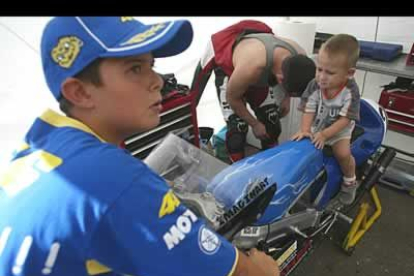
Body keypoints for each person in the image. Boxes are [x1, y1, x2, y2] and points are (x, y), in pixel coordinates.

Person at [0, 17, 279, 276]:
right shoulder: (110, 176)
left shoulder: (40, 144)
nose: (157, 81)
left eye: (151, 65)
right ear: (79, 92)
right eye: (134, 68)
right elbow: (238, 271)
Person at [191, 20, 316, 162]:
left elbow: (301, 84)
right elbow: (233, 99)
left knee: (272, 125)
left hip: (261, 65)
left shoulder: (300, 54)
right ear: (280, 79)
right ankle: (237, 170)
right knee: (237, 131)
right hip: (228, 67)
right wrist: (255, 124)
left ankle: (268, 164)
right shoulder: (252, 67)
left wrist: (287, 99)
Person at [291, 34, 361, 205]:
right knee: (301, 145)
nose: (322, 76)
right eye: (319, 69)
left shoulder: (350, 91)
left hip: (339, 129)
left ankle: (350, 181)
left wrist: (325, 135)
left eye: (329, 72)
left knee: (342, 154)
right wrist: (306, 129)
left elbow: (345, 119)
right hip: (318, 124)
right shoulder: (315, 85)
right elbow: (308, 109)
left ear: (349, 73)